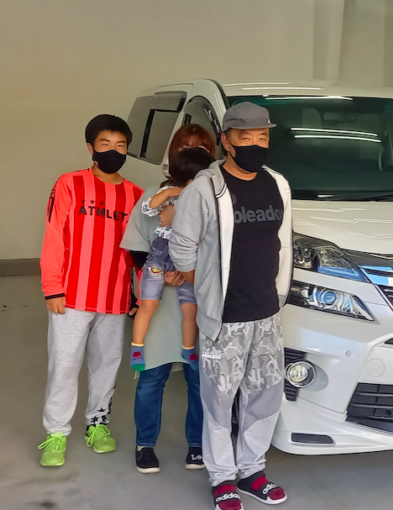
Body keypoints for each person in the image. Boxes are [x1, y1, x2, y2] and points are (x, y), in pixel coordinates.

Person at [170, 103, 292, 509]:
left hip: (267, 313)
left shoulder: (277, 184)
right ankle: (222, 477)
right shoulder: (205, 189)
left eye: (263, 137)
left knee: (264, 396)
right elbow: (182, 250)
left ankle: (252, 471)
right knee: (219, 401)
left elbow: (282, 242)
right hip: (225, 318)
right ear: (226, 140)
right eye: (246, 137)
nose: (256, 144)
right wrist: (209, 293)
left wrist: (276, 292)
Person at [38, 114, 143, 467]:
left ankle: (97, 424)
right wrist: (52, 287)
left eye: (120, 145)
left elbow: (140, 250)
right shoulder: (69, 184)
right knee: (64, 365)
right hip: (71, 297)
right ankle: (56, 432)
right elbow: (54, 235)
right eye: (105, 144)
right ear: (90, 148)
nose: (113, 151)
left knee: (106, 365)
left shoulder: (135, 195)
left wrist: (140, 295)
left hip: (114, 298)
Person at [120, 125, 216, 474]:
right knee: (151, 378)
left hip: (200, 300)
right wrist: (162, 272)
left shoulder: (218, 198)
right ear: (174, 154)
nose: (193, 152)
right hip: (160, 301)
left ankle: (197, 444)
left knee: (199, 380)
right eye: (186, 147)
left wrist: (189, 271)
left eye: (201, 147)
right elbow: (135, 247)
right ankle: (145, 444)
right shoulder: (154, 196)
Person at [129, 148, 216, 373]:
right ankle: (137, 347)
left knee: (191, 309)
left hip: (188, 258)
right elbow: (148, 208)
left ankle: (188, 349)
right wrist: (170, 193)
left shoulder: (207, 199)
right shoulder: (168, 192)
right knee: (149, 303)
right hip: (160, 256)